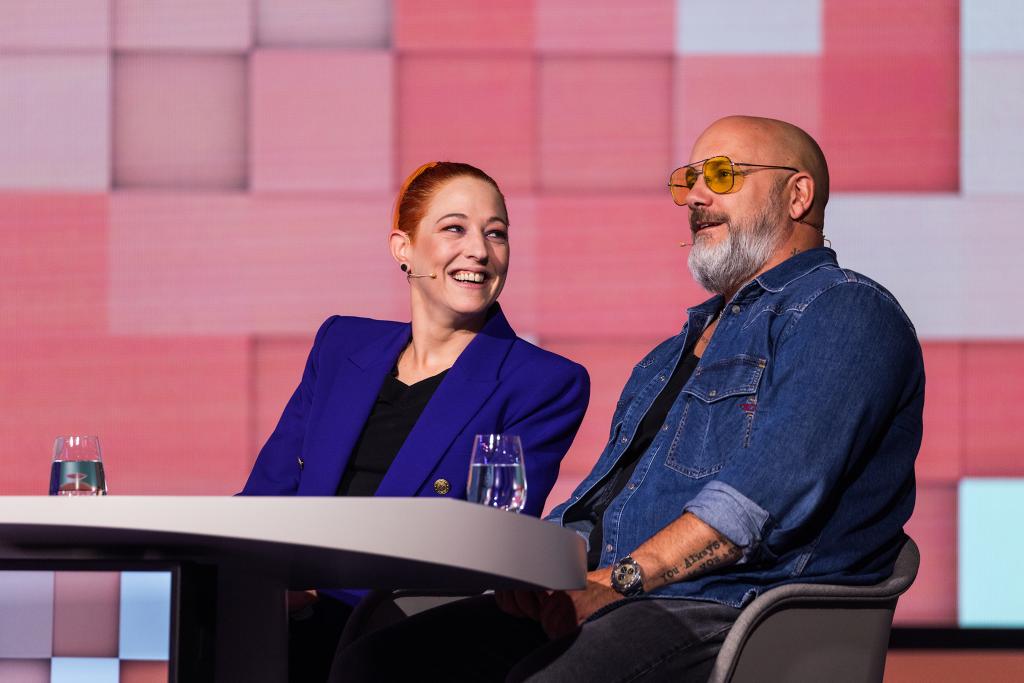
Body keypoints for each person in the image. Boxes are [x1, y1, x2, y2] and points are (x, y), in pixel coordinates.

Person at [332, 116, 924, 682]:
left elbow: (760, 500)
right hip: (623, 594)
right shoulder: (668, 356)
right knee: (382, 664)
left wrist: (619, 582)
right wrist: (535, 569)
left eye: (722, 175)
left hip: (731, 610)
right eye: (688, 180)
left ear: (797, 196)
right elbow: (601, 506)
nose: (696, 196)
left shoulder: (843, 310)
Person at [241, 161, 590, 682]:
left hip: (398, 632)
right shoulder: (341, 344)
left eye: (496, 233)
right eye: (455, 228)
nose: (479, 250)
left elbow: (487, 545)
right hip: (280, 615)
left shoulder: (542, 382)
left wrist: (311, 589)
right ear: (403, 248)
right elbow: (266, 497)